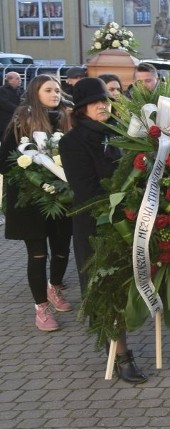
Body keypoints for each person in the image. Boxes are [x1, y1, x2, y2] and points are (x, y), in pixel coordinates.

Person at [59, 78, 147, 383]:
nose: (103, 106)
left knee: (130, 283)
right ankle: (122, 353)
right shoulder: (71, 142)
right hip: (97, 224)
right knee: (107, 287)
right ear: (81, 108)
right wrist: (121, 198)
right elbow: (85, 189)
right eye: (96, 102)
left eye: (106, 100)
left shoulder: (121, 132)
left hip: (132, 218)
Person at [0, 75, 73, 332]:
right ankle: (41, 308)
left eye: (57, 90)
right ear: (35, 92)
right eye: (49, 90)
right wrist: (31, 172)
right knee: (38, 254)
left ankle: (55, 287)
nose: (55, 94)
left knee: (63, 248)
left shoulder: (66, 118)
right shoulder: (21, 121)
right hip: (31, 201)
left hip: (61, 197)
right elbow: (5, 161)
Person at [0, 72, 22, 137]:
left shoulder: (19, 90)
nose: (20, 80)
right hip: (4, 123)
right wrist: (19, 109)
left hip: (15, 122)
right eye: (17, 78)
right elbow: (5, 104)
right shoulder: (2, 90)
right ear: (10, 80)